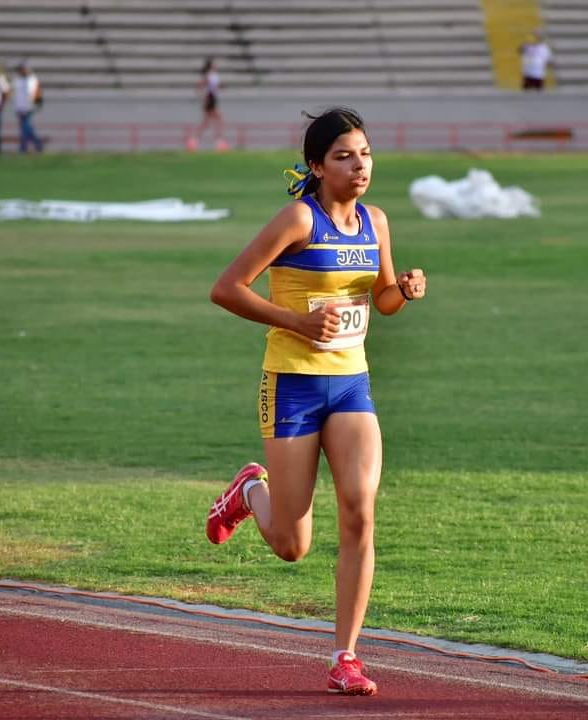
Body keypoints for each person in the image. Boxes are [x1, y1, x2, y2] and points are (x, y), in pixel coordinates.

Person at [207, 107, 426, 696]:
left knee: (360, 510)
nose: (360, 167)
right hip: (293, 386)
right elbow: (226, 288)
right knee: (291, 544)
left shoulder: (375, 221)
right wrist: (296, 322)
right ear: (315, 166)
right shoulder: (297, 220)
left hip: (352, 384)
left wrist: (401, 291)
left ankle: (346, 657)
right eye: (344, 157)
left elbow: (379, 301)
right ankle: (250, 490)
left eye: (366, 154)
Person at [186, 58, 226, 151]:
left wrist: (221, 87)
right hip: (210, 99)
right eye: (213, 64)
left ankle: (194, 140)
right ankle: (218, 142)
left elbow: (215, 86)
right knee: (218, 120)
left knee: (207, 123)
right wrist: (203, 98)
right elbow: (201, 85)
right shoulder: (209, 75)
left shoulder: (214, 75)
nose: (215, 65)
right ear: (210, 66)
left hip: (213, 99)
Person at [13, 61, 44, 153]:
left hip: (29, 108)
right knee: (27, 128)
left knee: (25, 128)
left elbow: (35, 94)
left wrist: (36, 104)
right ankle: (38, 145)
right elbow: (17, 95)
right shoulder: (17, 80)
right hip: (20, 108)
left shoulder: (32, 79)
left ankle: (23, 148)